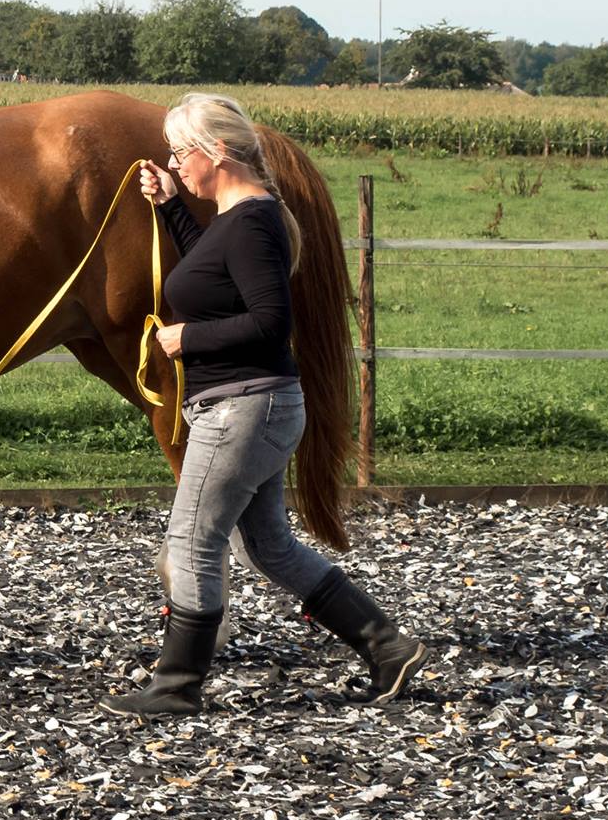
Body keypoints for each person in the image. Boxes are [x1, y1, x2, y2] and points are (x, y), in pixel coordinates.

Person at [104, 92, 428, 718]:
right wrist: (172, 204)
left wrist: (185, 338)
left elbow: (269, 320)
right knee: (268, 547)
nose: (177, 163)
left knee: (194, 538)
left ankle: (176, 685)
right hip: (256, 407)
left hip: (240, 410)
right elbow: (212, 272)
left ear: (217, 151)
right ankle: (388, 648)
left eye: (181, 152)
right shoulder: (238, 217)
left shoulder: (252, 222)